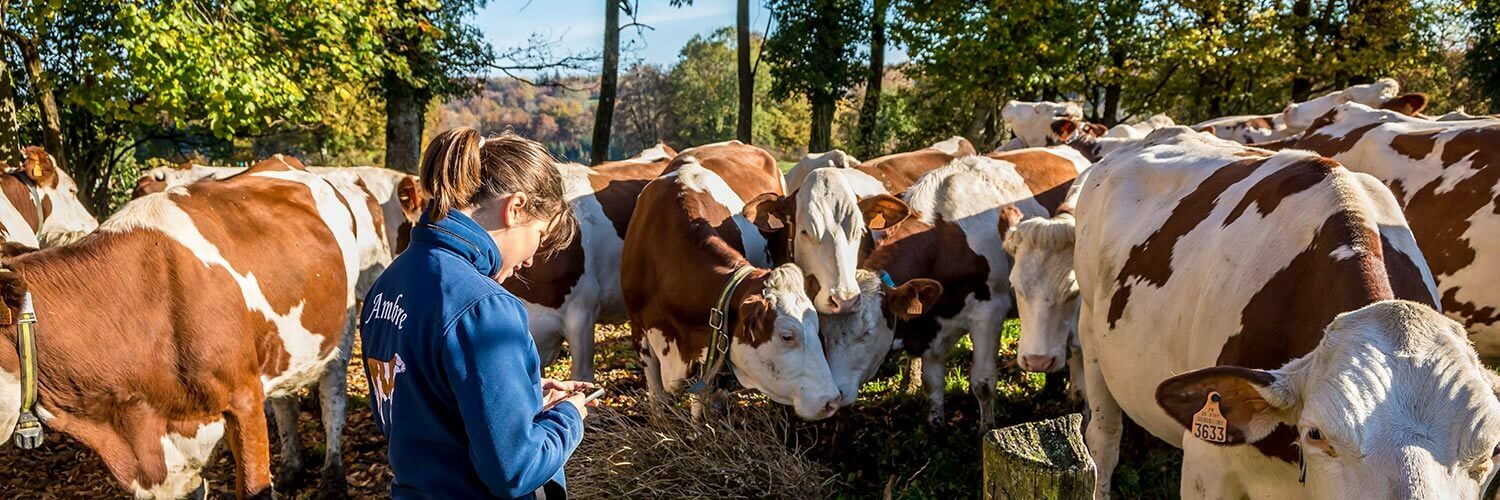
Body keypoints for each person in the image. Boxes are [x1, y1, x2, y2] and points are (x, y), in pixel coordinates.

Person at [360, 128, 592, 499]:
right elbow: (515, 469)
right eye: (539, 234)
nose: (531, 259)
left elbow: (415, 405)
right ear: (516, 208)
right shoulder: (484, 307)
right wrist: (569, 416)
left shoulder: (386, 286)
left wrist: (525, 396)